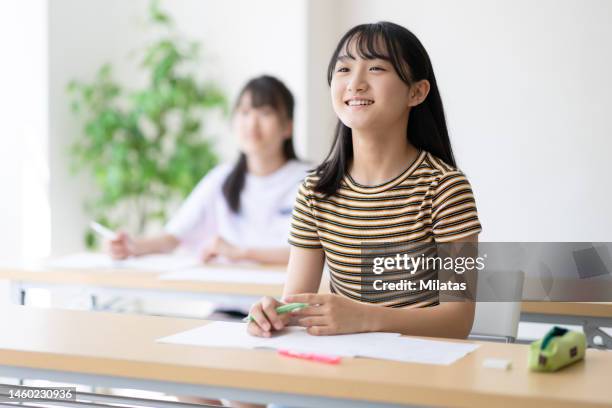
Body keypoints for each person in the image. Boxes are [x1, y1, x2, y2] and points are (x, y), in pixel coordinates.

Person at [246, 22, 483, 340]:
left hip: (422, 371)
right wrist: (272, 314)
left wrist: (364, 317)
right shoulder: (316, 191)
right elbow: (297, 304)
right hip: (345, 366)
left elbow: (457, 322)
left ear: (417, 92)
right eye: (343, 68)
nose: (355, 83)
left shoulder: (445, 189)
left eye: (376, 68)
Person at [108, 75, 309, 265]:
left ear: (287, 127)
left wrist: (241, 253)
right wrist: (133, 246)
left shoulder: (310, 180)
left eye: (265, 113)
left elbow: (316, 251)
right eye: (245, 112)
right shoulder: (222, 178)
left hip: (283, 298)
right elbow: (174, 236)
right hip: (227, 296)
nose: (251, 123)